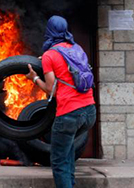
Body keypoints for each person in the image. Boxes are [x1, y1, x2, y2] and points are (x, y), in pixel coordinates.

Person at [25, 15, 96, 188]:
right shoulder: (76, 48)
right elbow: (67, 70)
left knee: (59, 162)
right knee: (68, 155)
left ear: (48, 31)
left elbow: (51, 90)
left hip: (69, 115)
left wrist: (34, 78)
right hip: (89, 112)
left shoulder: (50, 55)